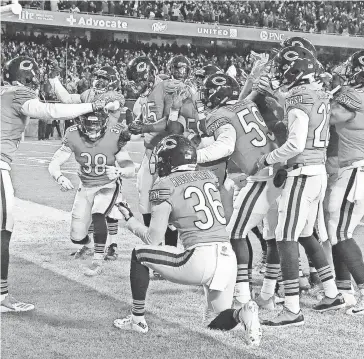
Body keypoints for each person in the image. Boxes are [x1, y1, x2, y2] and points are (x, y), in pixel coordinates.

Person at [114, 134, 262, 346]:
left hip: (199, 258)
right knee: (214, 321)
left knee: (139, 254)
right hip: (227, 257)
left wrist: (129, 219)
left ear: (168, 161)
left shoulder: (165, 185)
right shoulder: (208, 177)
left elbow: (152, 239)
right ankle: (243, 313)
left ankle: (137, 320)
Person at [0, 56, 106, 312]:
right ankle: (1, 297)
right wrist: (90, 106)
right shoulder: (18, 92)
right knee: (4, 228)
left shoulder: (4, 91)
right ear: (28, 77)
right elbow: (50, 111)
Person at [254, 45, 345, 326]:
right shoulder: (318, 93)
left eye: (283, 68)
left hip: (301, 173)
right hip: (316, 171)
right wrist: (277, 95)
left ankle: (292, 308)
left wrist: (266, 159)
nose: (280, 73)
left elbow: (294, 143)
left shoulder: (298, 99)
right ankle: (332, 292)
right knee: (307, 235)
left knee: (285, 237)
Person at [48, 109, 134, 276]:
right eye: (88, 128)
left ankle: (97, 261)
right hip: (86, 185)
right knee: (76, 237)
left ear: (103, 125)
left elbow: (129, 168)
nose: (92, 132)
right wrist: (59, 177)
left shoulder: (115, 135)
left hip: (107, 184)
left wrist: (118, 171)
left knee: (99, 213)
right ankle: (89, 245)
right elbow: (54, 162)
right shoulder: (73, 134)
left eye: (96, 127)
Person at [328, 50, 364, 315]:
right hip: (354, 169)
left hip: (355, 170)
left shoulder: (354, 98)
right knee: (337, 230)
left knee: (340, 232)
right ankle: (344, 290)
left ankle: (359, 289)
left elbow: (329, 117)